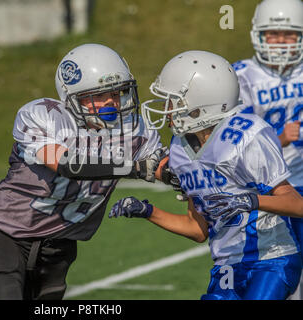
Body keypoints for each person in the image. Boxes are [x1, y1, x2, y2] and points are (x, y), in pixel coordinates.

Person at [0, 43, 175, 300]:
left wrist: (182, 175)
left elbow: (161, 167)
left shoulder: (135, 129)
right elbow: (67, 164)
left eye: (118, 91)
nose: (112, 101)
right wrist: (133, 168)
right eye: (100, 95)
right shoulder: (45, 115)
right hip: (6, 232)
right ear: (74, 98)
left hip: (60, 241)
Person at [113, 50, 303, 300]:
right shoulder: (180, 148)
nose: (167, 109)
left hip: (271, 257)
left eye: (174, 101)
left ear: (202, 104)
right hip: (226, 264)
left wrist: (251, 201)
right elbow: (197, 229)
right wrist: (147, 212)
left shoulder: (245, 136)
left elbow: (297, 205)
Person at [232, 0, 303, 299]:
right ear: (258, 35)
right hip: (270, 188)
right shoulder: (241, 76)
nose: (281, 42)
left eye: (288, 34)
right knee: (278, 271)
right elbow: (234, 144)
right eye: (273, 33)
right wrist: (281, 138)